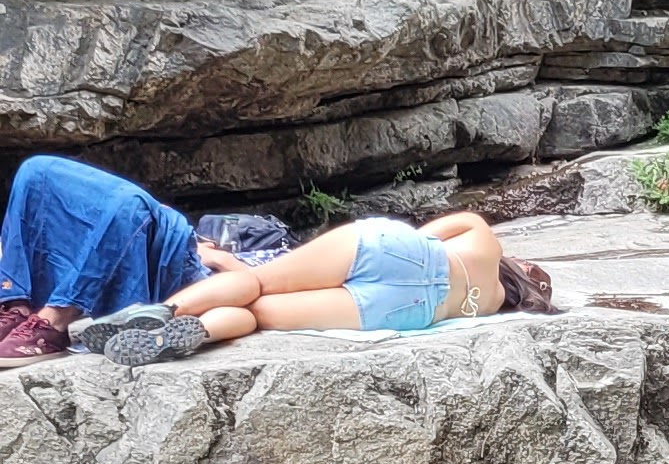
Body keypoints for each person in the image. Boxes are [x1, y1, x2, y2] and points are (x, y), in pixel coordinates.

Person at [67, 207, 551, 360]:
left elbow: (425, 235)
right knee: (257, 316)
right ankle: (193, 333)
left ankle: (165, 311)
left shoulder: (485, 239)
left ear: (520, 267)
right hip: (404, 310)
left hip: (399, 252)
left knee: (257, 282)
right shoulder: (490, 307)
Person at [0, 154, 254, 360]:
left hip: (181, 269)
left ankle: (54, 322)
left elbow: (253, 285)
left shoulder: (262, 266)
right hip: (167, 242)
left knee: (131, 207)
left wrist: (219, 259)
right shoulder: (253, 230)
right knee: (36, 171)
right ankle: (17, 305)